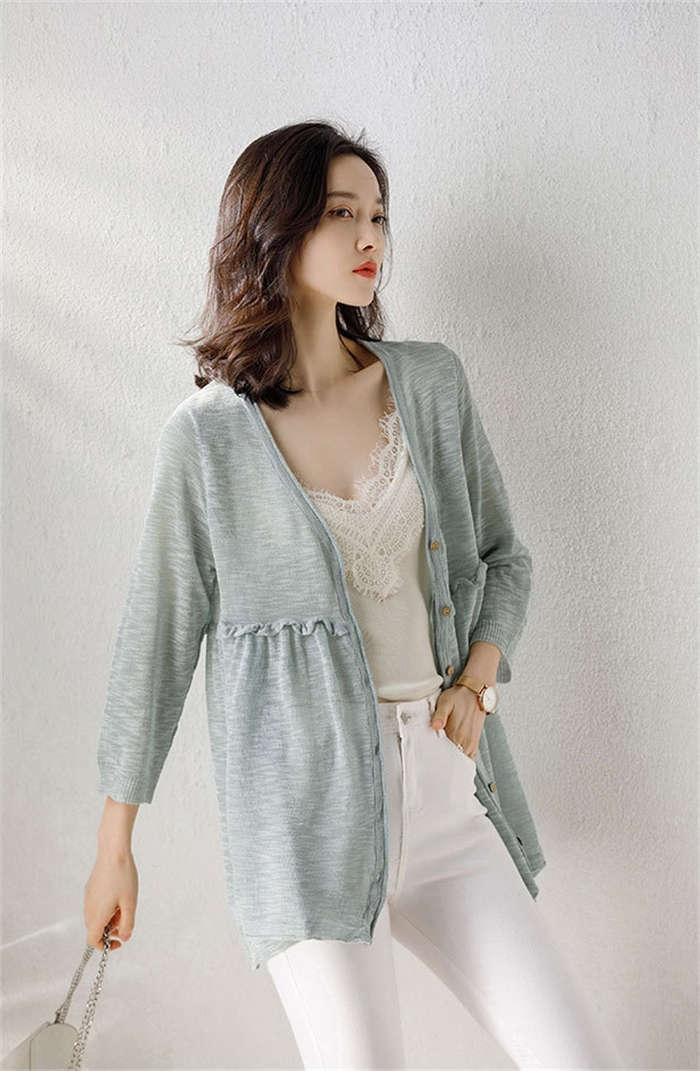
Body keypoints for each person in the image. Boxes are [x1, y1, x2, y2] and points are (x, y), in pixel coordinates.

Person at [84, 121, 623, 1069]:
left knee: (578, 1055)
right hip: (308, 826)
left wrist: (478, 679)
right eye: (342, 214)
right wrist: (114, 846)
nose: (370, 237)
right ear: (275, 228)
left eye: (378, 215)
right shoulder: (207, 439)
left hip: (447, 796)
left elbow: (507, 557)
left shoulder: (430, 383)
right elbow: (154, 645)